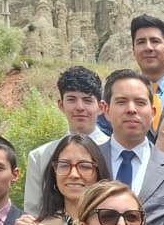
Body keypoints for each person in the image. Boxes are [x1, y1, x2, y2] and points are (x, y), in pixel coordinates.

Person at [102, 69, 164, 225]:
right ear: (106, 110)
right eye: (121, 102)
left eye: (140, 102)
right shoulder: (87, 162)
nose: (131, 109)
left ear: (153, 112)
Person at [24, 66, 110, 217]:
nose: (79, 107)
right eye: (71, 99)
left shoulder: (117, 152)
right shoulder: (40, 157)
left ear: (101, 107)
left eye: (87, 100)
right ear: (61, 105)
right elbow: (34, 214)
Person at [30, 133, 112, 225]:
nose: (73, 174)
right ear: (54, 171)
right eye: (64, 165)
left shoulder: (120, 223)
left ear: (98, 171)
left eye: (84, 166)